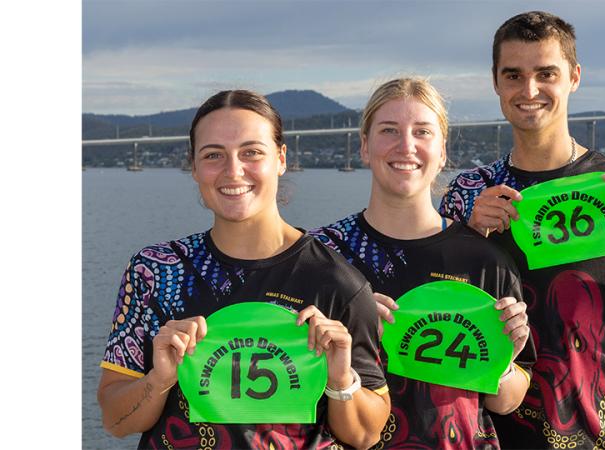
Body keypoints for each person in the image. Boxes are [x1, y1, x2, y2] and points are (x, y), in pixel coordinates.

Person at [439, 12, 605, 450]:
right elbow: (432, 315)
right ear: (496, 82)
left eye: (546, 74)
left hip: (587, 440)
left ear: (574, 77)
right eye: (514, 75)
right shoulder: (469, 193)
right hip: (476, 437)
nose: (530, 90)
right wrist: (463, 238)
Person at [96, 90, 390, 449]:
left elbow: (365, 435)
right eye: (213, 155)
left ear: (281, 159)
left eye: (251, 152)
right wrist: (160, 379)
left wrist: (340, 378)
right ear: (193, 166)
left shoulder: (337, 282)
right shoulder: (155, 273)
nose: (233, 171)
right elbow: (114, 420)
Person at [310, 77, 536, 449]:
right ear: (364, 147)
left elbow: (507, 401)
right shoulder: (323, 256)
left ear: (443, 151)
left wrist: (503, 361)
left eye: (422, 132)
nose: (406, 146)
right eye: (389, 131)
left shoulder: (484, 260)